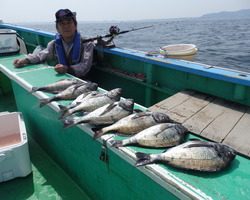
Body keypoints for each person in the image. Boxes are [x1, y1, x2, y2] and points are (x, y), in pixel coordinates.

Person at [13, 9, 95, 78]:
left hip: (81, 82)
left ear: (75, 25)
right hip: (62, 80)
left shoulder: (87, 43)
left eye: (69, 22)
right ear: (57, 28)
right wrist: (25, 60)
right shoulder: (53, 44)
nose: (66, 26)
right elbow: (40, 55)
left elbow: (85, 66)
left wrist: (66, 69)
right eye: (62, 24)